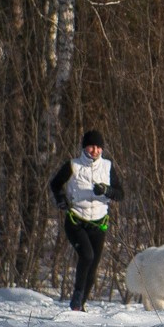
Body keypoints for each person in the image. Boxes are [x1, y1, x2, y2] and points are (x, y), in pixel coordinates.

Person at [50, 130, 122, 311]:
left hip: (99, 223)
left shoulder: (107, 167)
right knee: (87, 255)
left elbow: (121, 194)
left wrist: (106, 190)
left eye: (98, 147)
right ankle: (76, 296)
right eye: (91, 146)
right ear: (84, 147)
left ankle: (80, 306)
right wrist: (61, 199)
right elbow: (55, 184)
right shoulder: (73, 165)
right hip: (76, 221)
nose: (95, 150)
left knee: (93, 266)